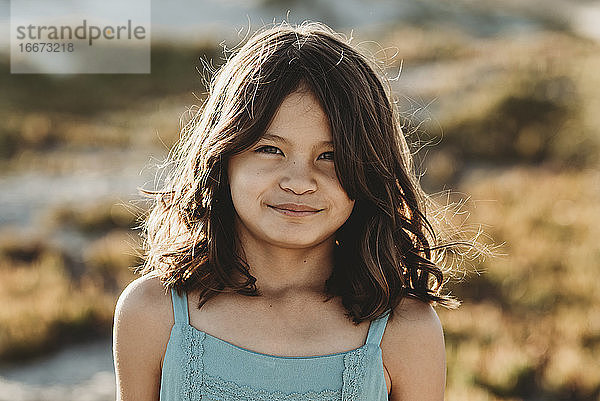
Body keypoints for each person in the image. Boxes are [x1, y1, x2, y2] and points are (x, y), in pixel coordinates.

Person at [113, 21, 462, 401]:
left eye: (330, 156)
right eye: (270, 149)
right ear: (222, 156)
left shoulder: (405, 330)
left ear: (368, 171)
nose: (299, 182)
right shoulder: (153, 314)